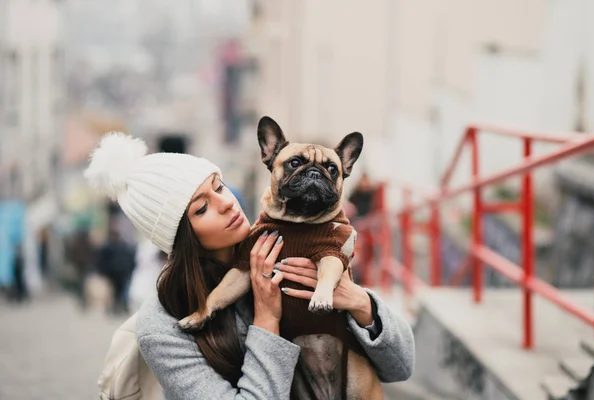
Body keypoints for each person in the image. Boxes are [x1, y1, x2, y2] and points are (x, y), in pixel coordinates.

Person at [85, 133, 414, 399]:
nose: (227, 203)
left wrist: (360, 302)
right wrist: (267, 319)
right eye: (202, 209)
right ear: (179, 236)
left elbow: (400, 367)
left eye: (220, 187)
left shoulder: (296, 243)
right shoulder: (163, 325)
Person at [97, 227, 136, 315]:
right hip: (113, 273)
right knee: (114, 292)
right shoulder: (110, 247)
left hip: (120, 273)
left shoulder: (121, 246)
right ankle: (114, 308)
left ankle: (118, 308)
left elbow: (129, 260)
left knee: (119, 292)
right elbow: (103, 261)